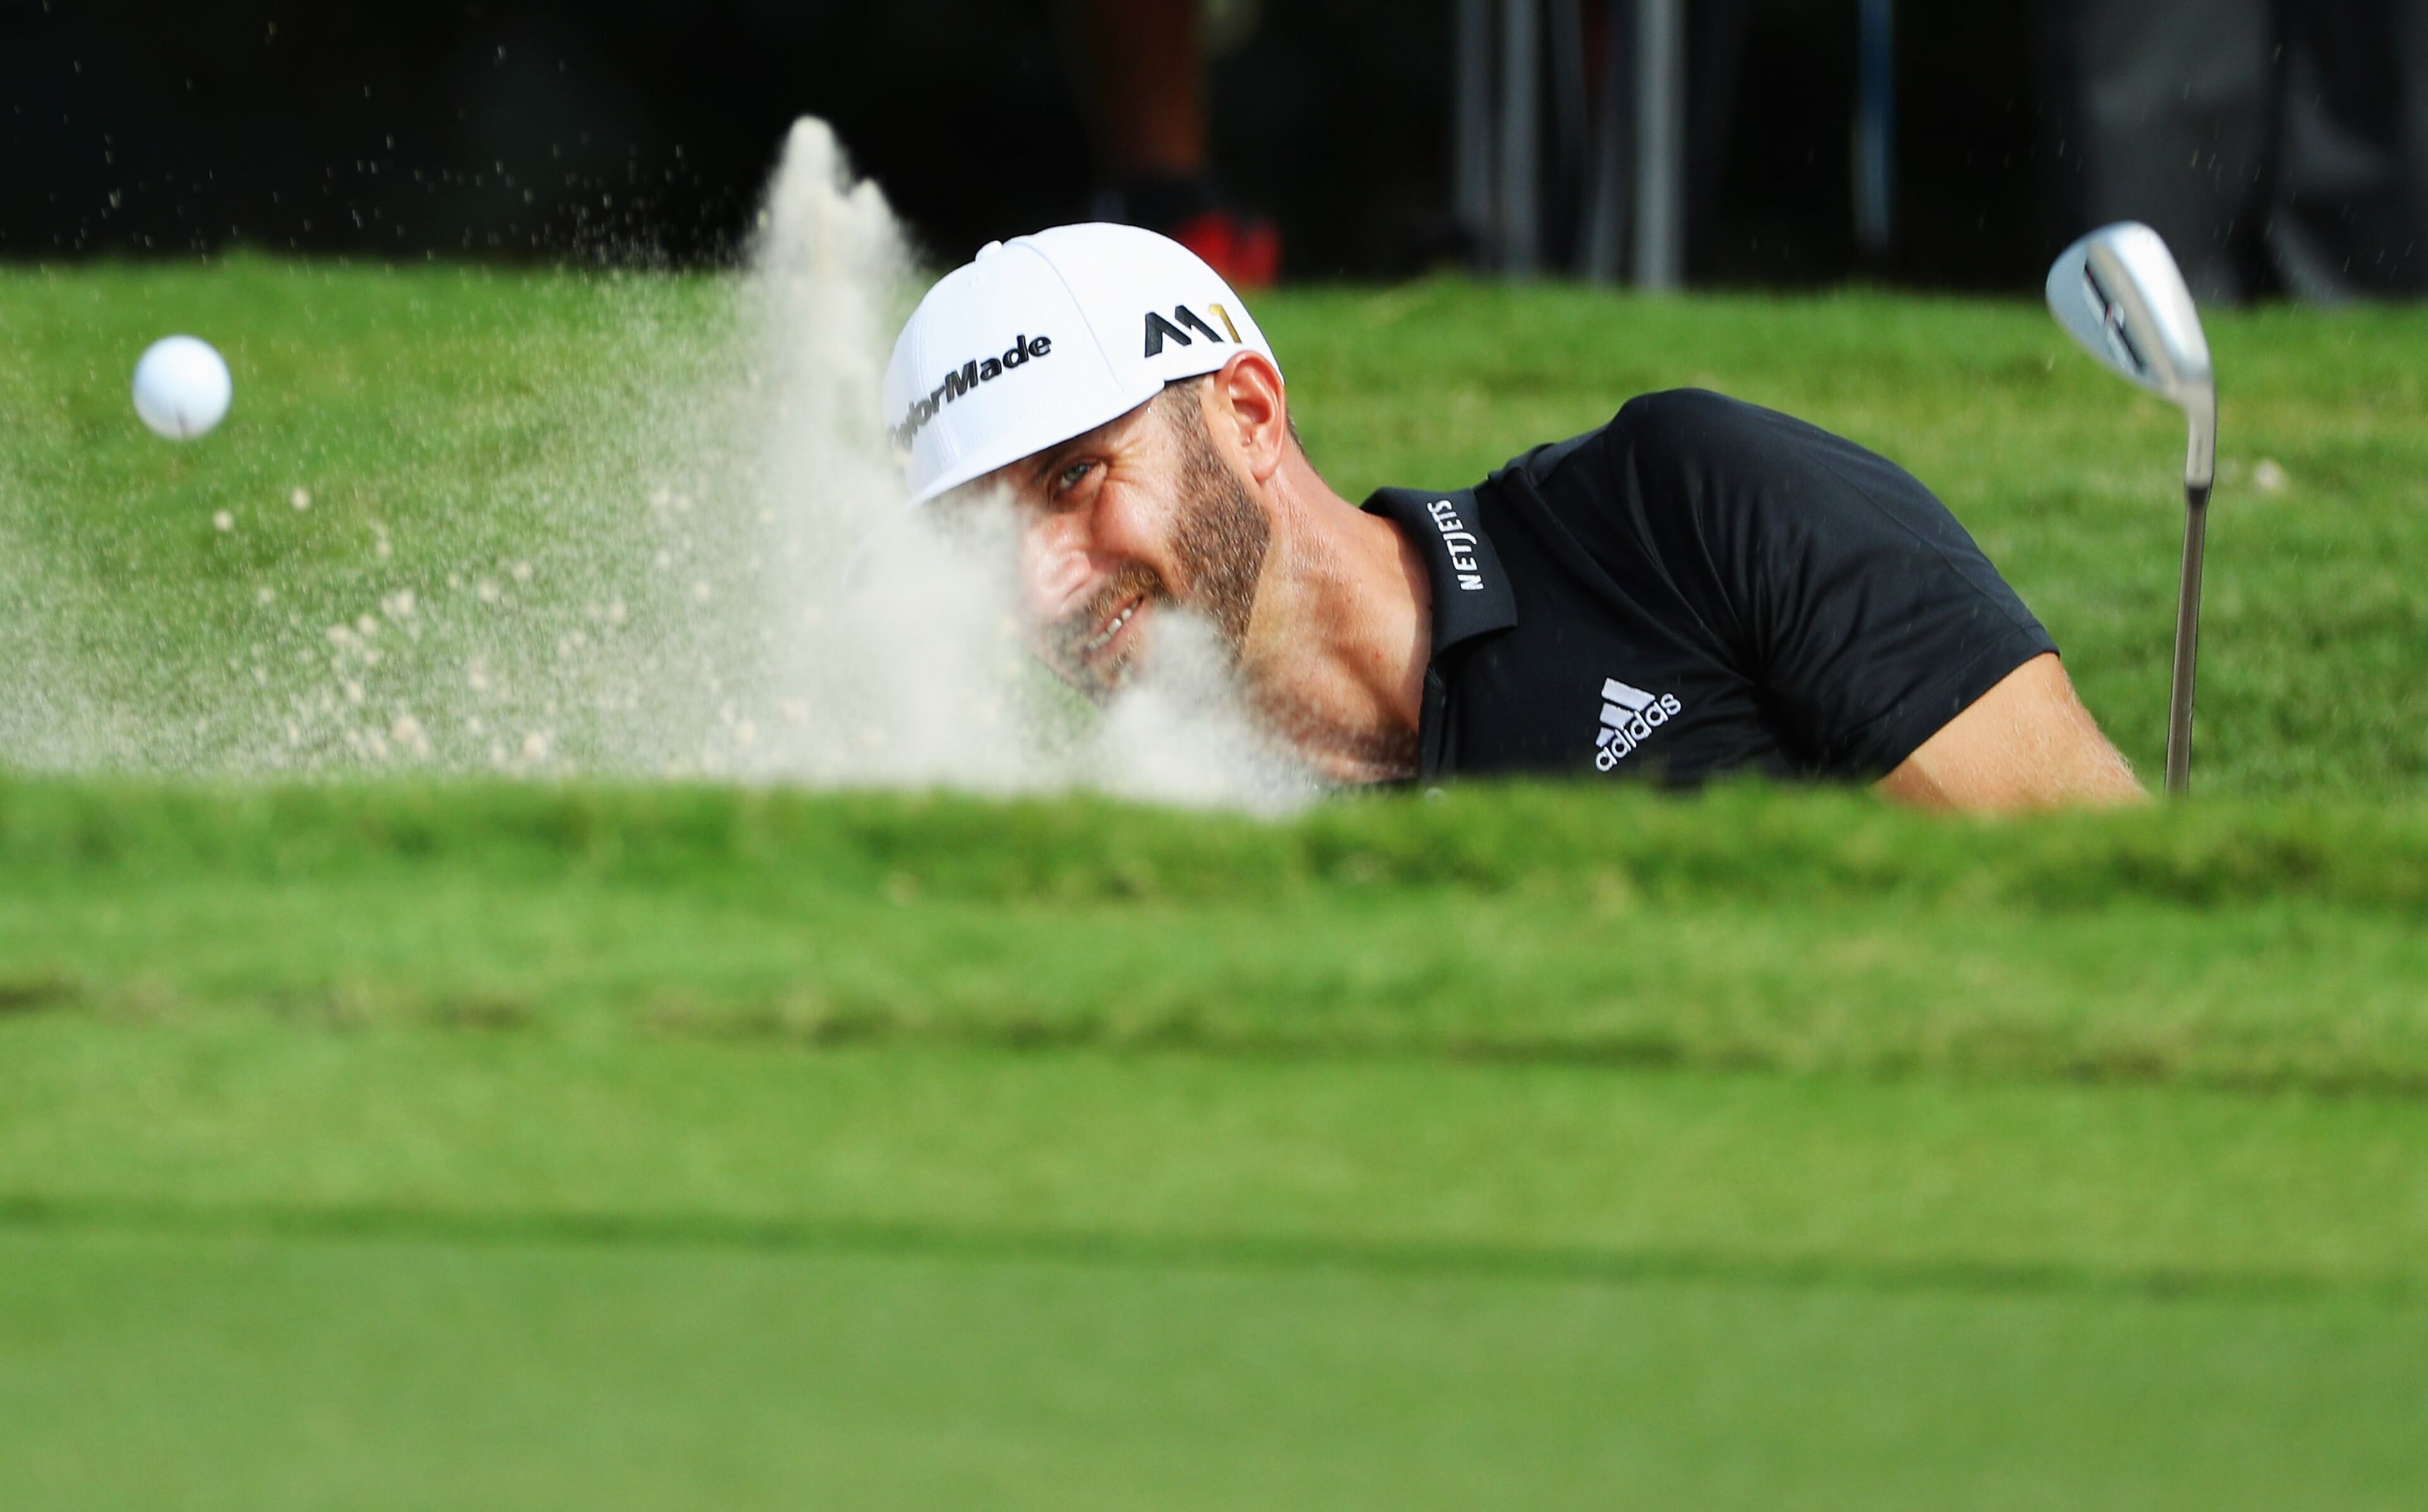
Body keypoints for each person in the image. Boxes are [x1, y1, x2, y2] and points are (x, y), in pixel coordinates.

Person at [881, 224, 2146, 810]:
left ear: (1251, 415)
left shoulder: (1680, 507)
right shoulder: (1156, 855)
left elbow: (2087, 899)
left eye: (1074, 478)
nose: (1038, 582)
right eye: (979, 539)